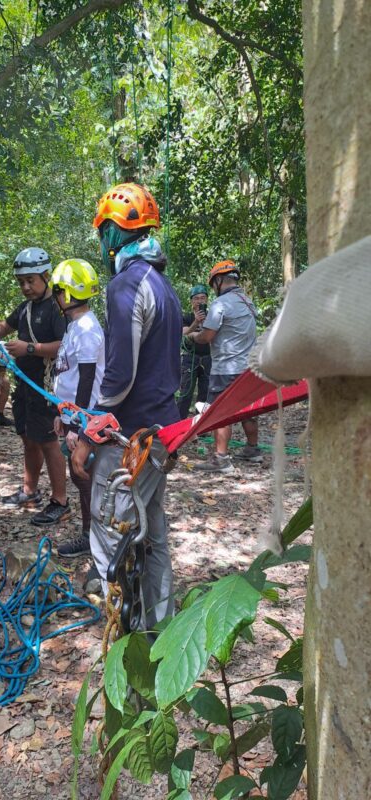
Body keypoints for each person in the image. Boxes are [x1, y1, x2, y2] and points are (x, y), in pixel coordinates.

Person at [71, 183, 182, 629]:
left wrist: (86, 433)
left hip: (129, 438)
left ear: (114, 233)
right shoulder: (164, 285)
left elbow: (118, 378)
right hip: (162, 432)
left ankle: (123, 636)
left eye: (103, 233)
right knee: (152, 534)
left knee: (112, 532)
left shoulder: (125, 285)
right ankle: (159, 626)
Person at [0, 247, 70, 526]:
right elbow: (2, 327)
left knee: (49, 441)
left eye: (31, 281)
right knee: (28, 437)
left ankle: (60, 501)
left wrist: (30, 348)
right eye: (21, 282)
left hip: (46, 385)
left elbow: (64, 346)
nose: (25, 287)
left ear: (46, 276)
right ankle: (30, 491)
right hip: (24, 385)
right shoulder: (25, 308)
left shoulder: (56, 308)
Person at [49, 258, 105, 559]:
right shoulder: (76, 326)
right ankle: (92, 534)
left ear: (66, 294)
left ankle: (92, 538)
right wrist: (62, 414)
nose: (56, 297)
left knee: (85, 477)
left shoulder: (86, 329)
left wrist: (78, 427)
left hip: (86, 421)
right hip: (74, 417)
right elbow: (66, 375)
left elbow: (86, 380)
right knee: (81, 476)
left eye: (58, 292)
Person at [187, 260, 261, 473]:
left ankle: (221, 459)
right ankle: (252, 449)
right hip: (248, 368)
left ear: (218, 281)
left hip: (226, 368)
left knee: (218, 412)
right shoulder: (247, 301)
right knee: (248, 409)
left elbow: (208, 336)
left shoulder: (220, 304)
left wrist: (193, 337)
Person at [177, 284, 212, 419]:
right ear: (192, 301)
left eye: (203, 298)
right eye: (196, 298)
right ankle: (179, 423)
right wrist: (196, 323)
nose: (200, 301)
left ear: (207, 300)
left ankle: (200, 425)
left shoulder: (213, 316)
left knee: (205, 392)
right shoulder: (187, 317)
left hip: (208, 358)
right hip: (189, 358)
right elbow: (184, 332)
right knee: (186, 392)